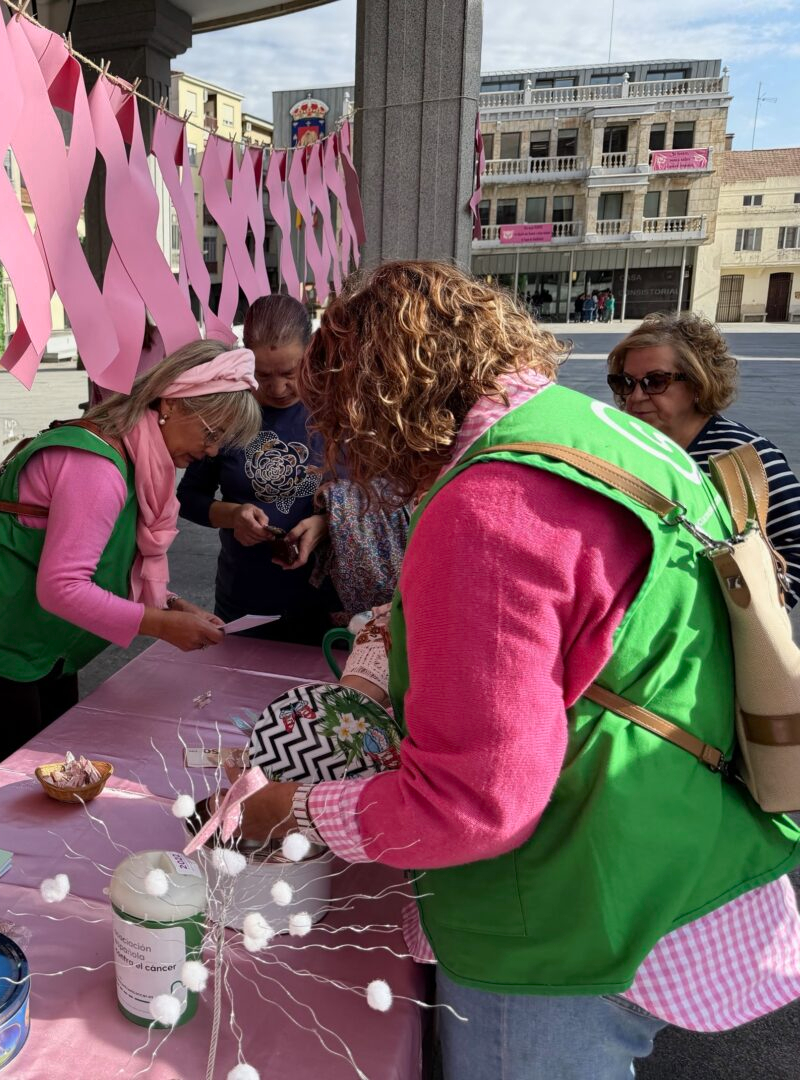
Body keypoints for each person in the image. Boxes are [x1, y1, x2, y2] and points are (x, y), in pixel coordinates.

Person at [233, 261, 800, 1079]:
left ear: (378, 399)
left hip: (573, 908)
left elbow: (474, 804)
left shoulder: (487, 507)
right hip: (680, 839)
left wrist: (293, 811)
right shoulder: (601, 431)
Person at [0, 339, 262, 777]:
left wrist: (171, 604)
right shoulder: (98, 468)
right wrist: (159, 624)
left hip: (40, 645)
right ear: (173, 404)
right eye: (213, 433)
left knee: (55, 770)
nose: (213, 451)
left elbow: (106, 556)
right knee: (15, 783)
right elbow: (63, 587)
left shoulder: (138, 455)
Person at [608, 311, 800, 607]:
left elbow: (794, 547)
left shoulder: (746, 456)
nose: (635, 396)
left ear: (698, 383)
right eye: (625, 382)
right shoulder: (623, 447)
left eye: (655, 381)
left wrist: (745, 618)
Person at [178, 295, 339, 642]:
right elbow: (188, 497)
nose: (278, 388)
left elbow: (372, 495)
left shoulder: (335, 411)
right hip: (247, 597)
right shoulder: (229, 411)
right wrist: (234, 515)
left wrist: (325, 523)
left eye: (289, 373)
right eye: (263, 376)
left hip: (327, 598)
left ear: (310, 353)